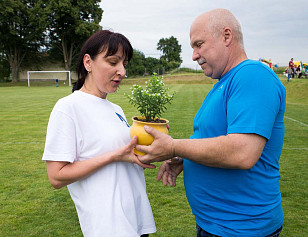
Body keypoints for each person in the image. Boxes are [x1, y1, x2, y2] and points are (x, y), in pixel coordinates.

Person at [137, 9, 286, 237]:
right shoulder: (223, 82)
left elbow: (242, 152)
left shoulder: (252, 76)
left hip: (242, 228)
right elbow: (213, 138)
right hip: (216, 225)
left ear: (227, 36)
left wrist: (174, 146)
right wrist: (186, 159)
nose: (194, 55)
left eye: (199, 44)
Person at [42, 30, 156, 237]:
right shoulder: (68, 108)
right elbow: (56, 176)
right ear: (88, 62)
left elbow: (124, 154)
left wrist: (162, 153)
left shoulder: (116, 109)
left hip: (136, 220)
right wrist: (113, 156)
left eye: (124, 64)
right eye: (113, 62)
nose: (122, 71)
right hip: (108, 227)